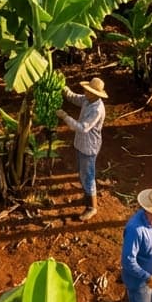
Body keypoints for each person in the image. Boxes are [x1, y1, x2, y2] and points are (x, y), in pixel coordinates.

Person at [60, 76, 107, 221]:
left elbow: (82, 128)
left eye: (88, 91)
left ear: (95, 94)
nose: (85, 92)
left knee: (88, 176)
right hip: (81, 144)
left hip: (89, 147)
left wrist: (65, 117)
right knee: (82, 173)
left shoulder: (97, 109)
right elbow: (74, 97)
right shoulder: (88, 99)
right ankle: (87, 198)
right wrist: (64, 88)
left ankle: (91, 207)